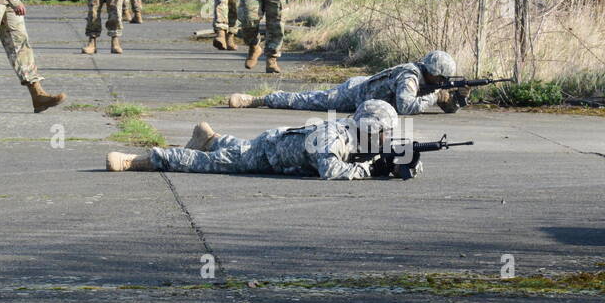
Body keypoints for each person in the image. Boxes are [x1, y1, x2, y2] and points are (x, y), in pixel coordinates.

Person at [105, 100, 418, 181]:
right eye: (383, 131)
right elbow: (331, 172)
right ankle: (142, 160)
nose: (386, 137)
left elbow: (375, 158)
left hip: (275, 148)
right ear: (369, 127)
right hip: (269, 154)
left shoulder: (360, 135)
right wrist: (372, 170)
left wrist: (401, 163)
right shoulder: (334, 136)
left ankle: (211, 137)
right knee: (211, 165)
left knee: (236, 149)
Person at [228, 50, 464, 115]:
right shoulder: (410, 77)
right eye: (441, 79)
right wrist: (435, 97)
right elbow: (405, 107)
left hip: (365, 89)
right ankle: (259, 99)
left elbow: (446, 105)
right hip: (354, 94)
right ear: (433, 72)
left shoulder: (424, 77)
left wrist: (454, 98)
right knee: (309, 100)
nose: (441, 82)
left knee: (311, 99)